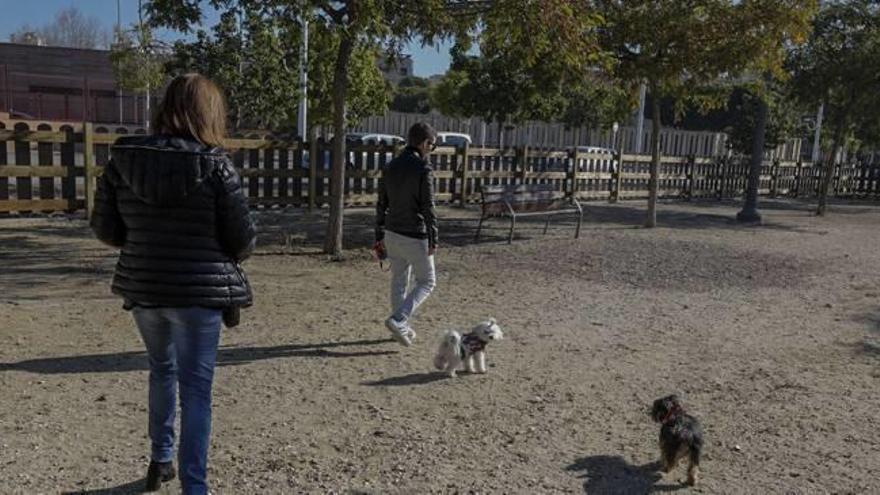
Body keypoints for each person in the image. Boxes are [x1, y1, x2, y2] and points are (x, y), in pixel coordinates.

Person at [90, 73, 255, 494]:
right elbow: (242, 241)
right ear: (209, 113)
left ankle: (160, 459)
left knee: (160, 370)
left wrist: (146, 241)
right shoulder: (217, 165)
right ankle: (194, 486)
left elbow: (105, 229)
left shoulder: (123, 161)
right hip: (199, 295)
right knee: (196, 389)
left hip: (145, 288)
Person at [375, 122, 439, 346]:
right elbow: (428, 207)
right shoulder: (423, 169)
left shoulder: (390, 166)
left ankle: (398, 328)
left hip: (392, 232)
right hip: (415, 234)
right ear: (424, 143)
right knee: (427, 281)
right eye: (432, 145)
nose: (431, 150)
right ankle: (398, 319)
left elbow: (381, 204)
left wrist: (378, 235)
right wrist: (434, 238)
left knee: (399, 280)